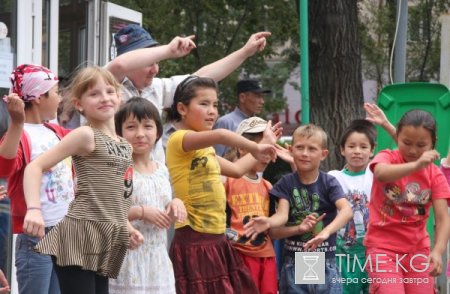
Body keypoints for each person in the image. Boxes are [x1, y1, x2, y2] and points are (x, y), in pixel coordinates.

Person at [22, 66, 144, 294]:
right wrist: (34, 209)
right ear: (79, 104)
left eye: (109, 91)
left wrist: (126, 226)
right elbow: (34, 167)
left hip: (108, 236)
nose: (104, 98)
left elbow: (116, 193)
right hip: (80, 235)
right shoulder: (86, 135)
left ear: (119, 97)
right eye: (94, 94)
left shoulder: (124, 145)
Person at [165, 75, 279, 293]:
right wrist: (255, 148)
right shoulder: (179, 139)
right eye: (204, 104)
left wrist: (264, 143)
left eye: (215, 105)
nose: (212, 111)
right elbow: (221, 135)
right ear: (182, 108)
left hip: (217, 238)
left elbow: (237, 170)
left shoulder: (204, 148)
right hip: (194, 239)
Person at [107, 24, 271, 164]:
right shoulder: (105, 88)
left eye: (156, 62)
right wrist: (168, 51)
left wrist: (244, 52)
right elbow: (119, 66)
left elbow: (201, 77)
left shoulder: (156, 87)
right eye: (149, 62)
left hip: (153, 183)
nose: (155, 69)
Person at [0, 64, 74, 294]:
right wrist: (17, 123)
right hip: (36, 238)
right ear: (40, 97)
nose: (60, 98)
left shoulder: (55, 131)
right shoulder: (21, 133)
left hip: (63, 234)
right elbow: (5, 165)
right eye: (56, 92)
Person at [364, 109, 450, 293]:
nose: (413, 150)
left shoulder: (435, 175)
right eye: (406, 142)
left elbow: (443, 219)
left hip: (418, 250)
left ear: (433, 143)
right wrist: (416, 165)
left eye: (421, 145)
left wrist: (438, 251)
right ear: (398, 138)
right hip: (382, 249)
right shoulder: (388, 157)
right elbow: (380, 173)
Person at [109, 97, 186, 294]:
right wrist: (140, 212)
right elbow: (105, 212)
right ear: (119, 132)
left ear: (158, 131)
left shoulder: (162, 169)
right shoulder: (116, 168)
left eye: (147, 126)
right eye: (132, 127)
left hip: (158, 260)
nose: (140, 134)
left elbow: (164, 205)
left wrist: (175, 204)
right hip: (128, 260)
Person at [269, 124, 353, 294]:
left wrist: (325, 232)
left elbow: (346, 211)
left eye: (312, 149)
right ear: (291, 150)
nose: (305, 153)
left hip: (325, 261)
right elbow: (275, 230)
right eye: (300, 147)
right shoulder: (285, 184)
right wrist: (298, 228)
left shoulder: (329, 182)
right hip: (294, 262)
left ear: (323, 154)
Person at [223, 116, 290, 294]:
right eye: (260, 146)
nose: (265, 154)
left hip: (266, 255)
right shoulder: (227, 180)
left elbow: (276, 224)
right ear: (240, 147)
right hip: (239, 254)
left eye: (270, 149)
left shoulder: (268, 186)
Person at [328, 119, 377, 294]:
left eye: (363, 147)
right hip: (342, 254)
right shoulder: (333, 177)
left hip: (373, 253)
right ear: (342, 149)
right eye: (351, 146)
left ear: (372, 150)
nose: (357, 151)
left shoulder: (377, 175)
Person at [214, 78, 271, 156]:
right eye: (258, 96)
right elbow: (216, 158)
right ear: (242, 97)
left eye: (262, 97)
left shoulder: (261, 124)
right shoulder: (225, 122)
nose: (262, 101)